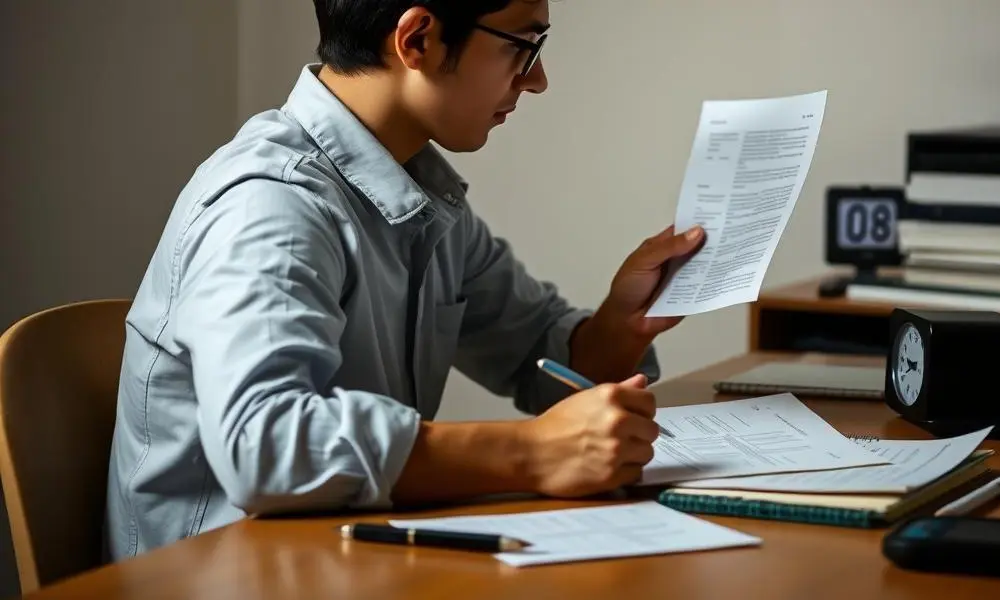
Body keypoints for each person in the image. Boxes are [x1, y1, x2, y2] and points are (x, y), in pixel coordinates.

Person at [104, 0, 705, 560]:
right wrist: (532, 452)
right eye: (524, 45)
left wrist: (623, 322)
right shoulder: (273, 206)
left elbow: (542, 360)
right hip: (222, 574)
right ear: (417, 39)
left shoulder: (417, 191)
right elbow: (266, 446)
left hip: (350, 558)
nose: (537, 78)